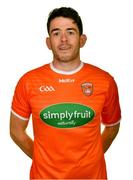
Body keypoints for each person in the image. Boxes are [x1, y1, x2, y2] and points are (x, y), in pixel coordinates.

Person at [10, 7, 121, 179]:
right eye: (56, 33)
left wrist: (92, 157)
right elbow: (16, 131)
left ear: (82, 39)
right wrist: (42, 159)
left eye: (70, 32)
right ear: (48, 42)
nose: (63, 39)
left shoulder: (104, 81)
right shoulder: (28, 82)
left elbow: (113, 126)